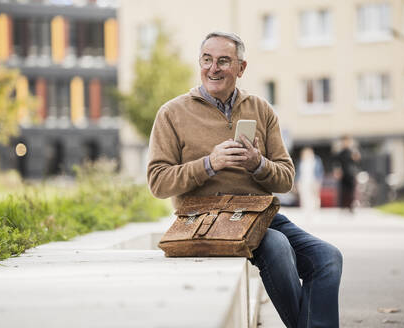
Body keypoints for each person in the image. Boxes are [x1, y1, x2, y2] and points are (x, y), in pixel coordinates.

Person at [147, 31, 343, 328]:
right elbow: (158, 182)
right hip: (206, 220)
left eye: (224, 61)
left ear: (241, 68)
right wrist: (209, 164)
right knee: (277, 246)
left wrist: (258, 164)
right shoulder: (171, 113)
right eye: (207, 60)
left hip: (259, 214)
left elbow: (286, 179)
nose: (213, 68)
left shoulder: (261, 109)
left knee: (328, 258)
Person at [334, 135, 361, 212]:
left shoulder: (353, 152)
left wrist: (356, 158)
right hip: (343, 174)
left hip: (351, 174)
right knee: (343, 191)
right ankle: (343, 206)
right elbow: (336, 163)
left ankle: (351, 207)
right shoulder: (340, 153)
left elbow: (357, 162)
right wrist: (337, 171)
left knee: (351, 191)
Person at [296, 147, 324, 215]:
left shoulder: (316, 160)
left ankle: (315, 210)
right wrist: (296, 182)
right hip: (303, 181)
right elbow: (298, 172)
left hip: (313, 181)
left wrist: (319, 181)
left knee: (314, 196)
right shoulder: (301, 162)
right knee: (304, 196)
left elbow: (320, 171)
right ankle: (305, 210)